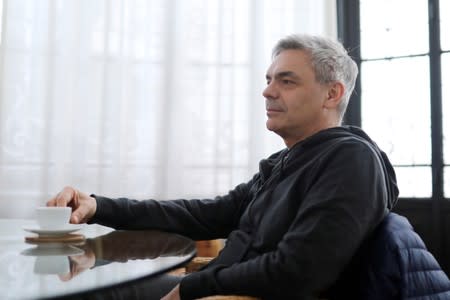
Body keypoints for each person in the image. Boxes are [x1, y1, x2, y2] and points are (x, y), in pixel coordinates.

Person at [48, 34, 399, 300]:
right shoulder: (285, 161)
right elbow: (200, 215)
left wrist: (191, 288)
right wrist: (98, 206)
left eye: (286, 81)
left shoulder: (349, 161)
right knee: (84, 288)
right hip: (218, 287)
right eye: (268, 79)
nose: (268, 92)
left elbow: (299, 271)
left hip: (235, 296)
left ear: (332, 94)